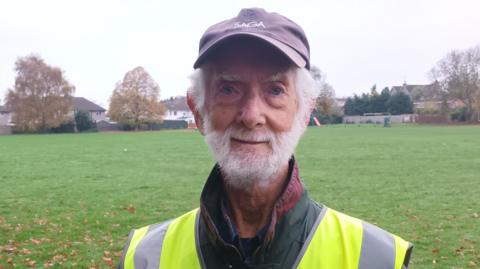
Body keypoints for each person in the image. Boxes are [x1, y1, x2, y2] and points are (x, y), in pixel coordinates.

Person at [117, 8, 413, 269]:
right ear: (198, 112)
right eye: (229, 89)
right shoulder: (144, 259)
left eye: (275, 90)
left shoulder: (375, 259)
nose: (251, 115)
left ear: (304, 112)